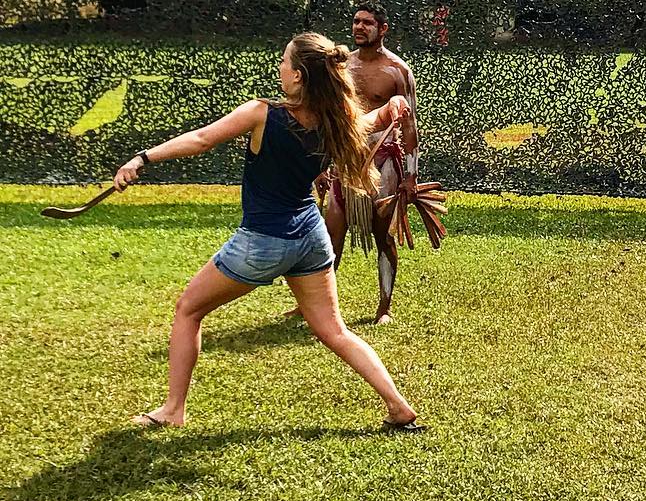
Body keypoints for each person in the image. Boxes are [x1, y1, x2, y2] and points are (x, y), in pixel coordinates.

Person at [113, 32, 422, 431]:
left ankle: (173, 409)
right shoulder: (337, 122)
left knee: (188, 310)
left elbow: (203, 139)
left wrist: (143, 158)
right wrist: (391, 110)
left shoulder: (263, 113)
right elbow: (370, 120)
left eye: (284, 62)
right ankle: (399, 407)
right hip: (310, 239)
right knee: (334, 331)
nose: (279, 68)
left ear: (298, 77)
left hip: (263, 241)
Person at [323, 0, 421, 325]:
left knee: (383, 233)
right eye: (356, 21)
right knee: (329, 234)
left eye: (367, 23)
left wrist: (411, 176)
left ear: (383, 29)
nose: (359, 27)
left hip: (384, 163)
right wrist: (323, 164)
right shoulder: (342, 67)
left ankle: (385, 306)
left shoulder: (398, 71)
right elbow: (332, 120)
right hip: (346, 161)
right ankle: (322, 308)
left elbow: (410, 127)